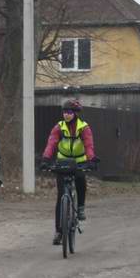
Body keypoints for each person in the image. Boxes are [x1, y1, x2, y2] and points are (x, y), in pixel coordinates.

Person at [39, 98, 96, 245]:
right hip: (63, 162)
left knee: (81, 180)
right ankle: (59, 232)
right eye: (64, 112)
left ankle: (81, 207)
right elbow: (51, 143)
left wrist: (91, 159)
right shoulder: (59, 127)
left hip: (79, 161)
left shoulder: (83, 128)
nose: (66, 114)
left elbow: (88, 145)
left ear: (75, 113)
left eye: (69, 112)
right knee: (61, 197)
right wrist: (45, 159)